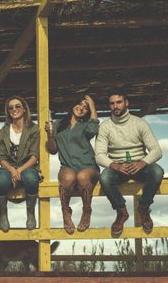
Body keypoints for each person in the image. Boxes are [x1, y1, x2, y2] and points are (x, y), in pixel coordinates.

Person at [96, 92, 163, 236]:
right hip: (118, 167)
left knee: (157, 172)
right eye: (112, 103)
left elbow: (157, 151)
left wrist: (143, 162)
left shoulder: (139, 123)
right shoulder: (105, 126)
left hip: (140, 165)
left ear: (127, 103)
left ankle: (143, 208)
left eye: (119, 102)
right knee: (105, 178)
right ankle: (121, 212)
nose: (116, 106)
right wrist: (115, 165)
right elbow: (99, 155)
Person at [45, 95, 99, 234]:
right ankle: (65, 212)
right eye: (80, 104)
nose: (82, 108)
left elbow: (93, 130)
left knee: (82, 177)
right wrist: (50, 135)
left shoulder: (86, 125)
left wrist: (92, 106)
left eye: (86, 108)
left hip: (88, 166)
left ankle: (86, 210)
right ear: (73, 104)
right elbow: (52, 150)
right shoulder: (58, 124)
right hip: (67, 166)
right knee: (68, 178)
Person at [0, 95, 40, 232]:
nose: (14, 109)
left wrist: (19, 170)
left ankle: (30, 213)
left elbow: (34, 156)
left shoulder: (33, 129)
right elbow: (1, 156)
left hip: (28, 166)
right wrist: (12, 170)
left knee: (31, 178)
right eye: (11, 108)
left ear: (24, 109)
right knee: (1, 180)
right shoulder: (2, 132)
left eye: (17, 106)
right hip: (8, 167)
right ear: (8, 112)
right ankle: (3, 215)